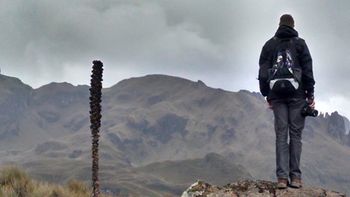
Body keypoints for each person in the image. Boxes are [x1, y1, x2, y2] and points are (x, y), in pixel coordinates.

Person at [258, 14, 315, 189]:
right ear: (293, 25)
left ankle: (282, 179)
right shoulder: (300, 44)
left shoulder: (269, 45)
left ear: (279, 24)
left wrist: (267, 94)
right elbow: (307, 69)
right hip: (297, 96)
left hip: (277, 97)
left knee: (281, 135)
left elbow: (263, 72)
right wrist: (310, 94)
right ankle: (296, 178)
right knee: (296, 135)